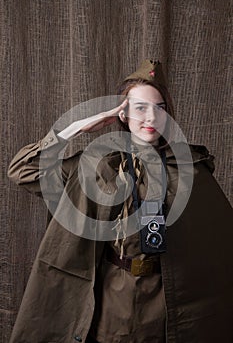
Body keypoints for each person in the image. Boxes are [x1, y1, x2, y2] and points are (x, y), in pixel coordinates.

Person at [8, 60, 233, 343]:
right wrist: (73, 130)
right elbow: (22, 171)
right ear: (123, 114)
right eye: (140, 107)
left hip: (172, 303)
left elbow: (220, 241)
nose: (150, 117)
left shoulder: (191, 168)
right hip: (115, 299)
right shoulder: (98, 165)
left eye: (159, 108)